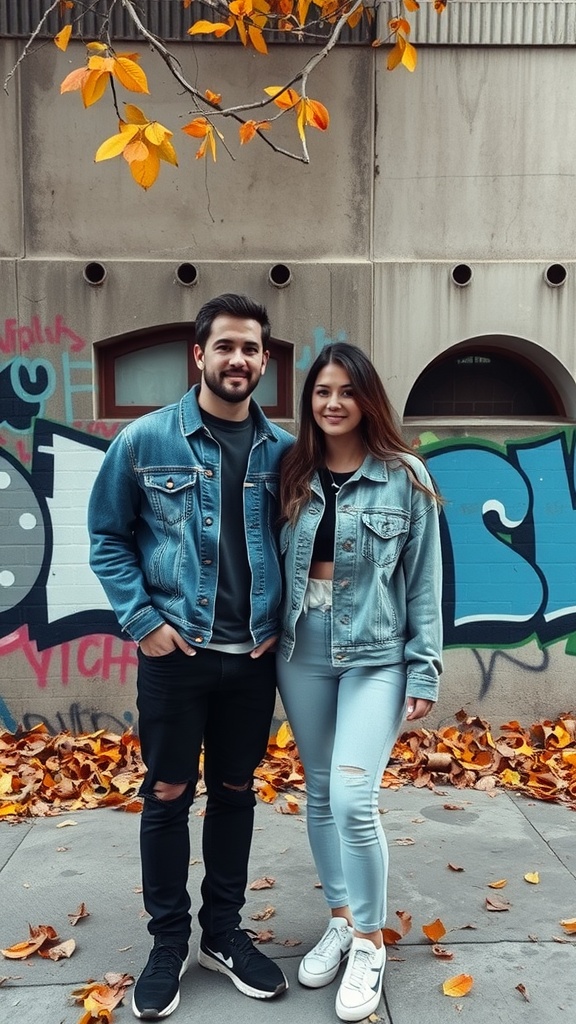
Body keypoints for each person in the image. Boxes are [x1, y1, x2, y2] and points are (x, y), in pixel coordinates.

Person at [88, 293, 294, 1020]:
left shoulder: (283, 450)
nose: (238, 359)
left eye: (251, 349)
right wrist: (143, 621)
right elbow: (107, 537)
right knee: (169, 794)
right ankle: (168, 942)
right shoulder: (146, 442)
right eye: (226, 346)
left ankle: (224, 934)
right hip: (176, 654)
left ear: (265, 362)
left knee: (236, 791)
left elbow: (305, 545)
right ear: (198, 355)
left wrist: (285, 620)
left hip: (252, 658)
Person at [276, 343, 443, 1023]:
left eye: (346, 390)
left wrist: (423, 665)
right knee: (318, 790)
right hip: (301, 648)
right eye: (321, 391)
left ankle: (370, 941)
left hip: (376, 655)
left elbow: (425, 582)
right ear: (310, 401)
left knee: (352, 795)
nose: (333, 402)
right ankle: (341, 917)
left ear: (367, 398)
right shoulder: (292, 472)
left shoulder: (405, 477)